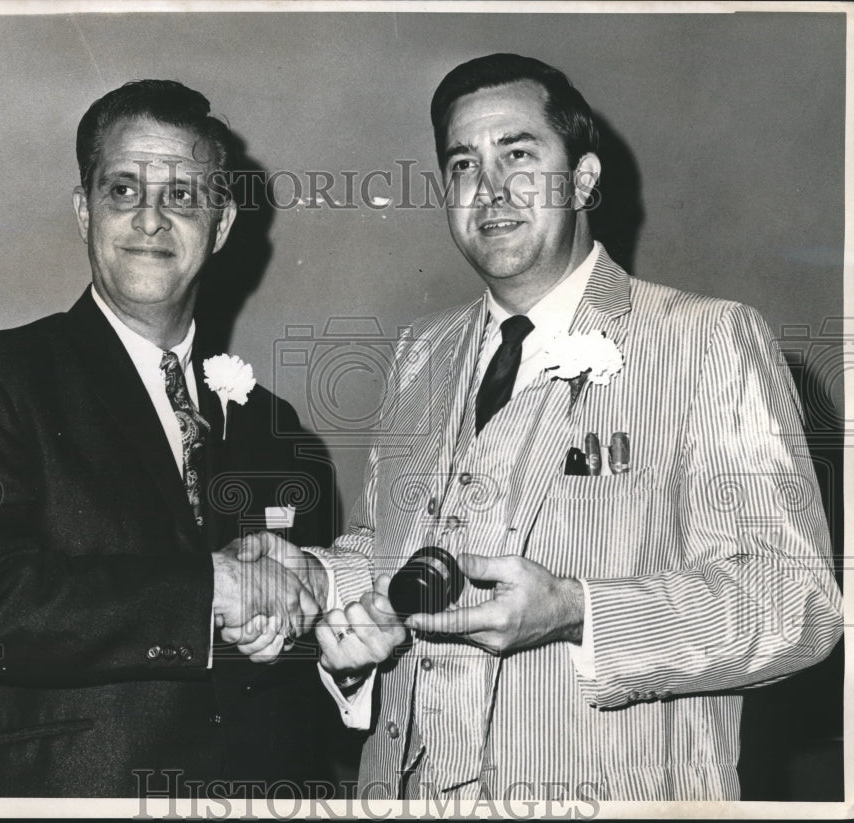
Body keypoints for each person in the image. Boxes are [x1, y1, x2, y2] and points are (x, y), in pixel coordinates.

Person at [244, 53, 844, 801]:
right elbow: (397, 549)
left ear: (585, 179)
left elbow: (797, 602)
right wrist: (324, 576)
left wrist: (577, 612)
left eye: (518, 155)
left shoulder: (706, 339)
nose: (489, 188)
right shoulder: (419, 352)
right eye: (463, 164)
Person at [0, 79, 343, 798]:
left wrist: (314, 630)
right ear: (84, 210)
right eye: (123, 191)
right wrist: (217, 587)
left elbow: (295, 654)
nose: (150, 220)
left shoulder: (276, 429)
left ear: (222, 222)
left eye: (182, 195)